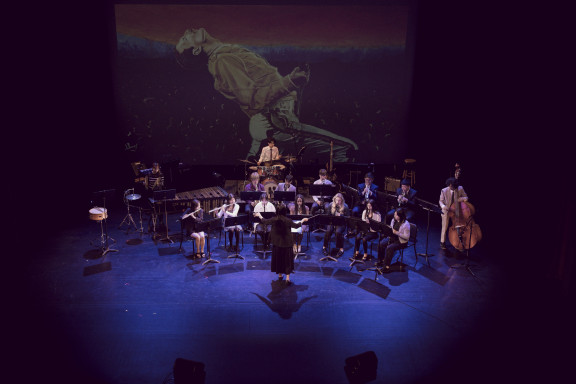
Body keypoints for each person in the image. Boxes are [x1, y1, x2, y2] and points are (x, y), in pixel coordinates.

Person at [175, 27, 358, 162]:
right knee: (346, 149)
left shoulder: (224, 55)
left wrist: (296, 84)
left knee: (260, 167)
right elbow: (254, 99)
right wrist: (290, 82)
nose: (187, 32)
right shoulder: (224, 61)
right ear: (197, 50)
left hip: (274, 120)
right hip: (272, 121)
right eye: (184, 39)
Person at [254, 204, 309, 284]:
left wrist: (259, 215)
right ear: (284, 212)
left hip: (277, 244)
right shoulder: (288, 220)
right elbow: (297, 226)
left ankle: (280, 275)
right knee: (287, 261)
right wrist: (303, 220)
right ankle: (287, 278)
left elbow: (264, 221)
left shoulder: (274, 219)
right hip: (287, 244)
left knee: (278, 259)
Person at [377, 208, 410, 273]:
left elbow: (407, 237)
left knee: (390, 248)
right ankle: (382, 260)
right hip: (392, 238)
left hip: (401, 241)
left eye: (396, 215)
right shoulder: (393, 220)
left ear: (400, 216)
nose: (394, 216)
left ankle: (386, 266)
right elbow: (391, 229)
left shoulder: (406, 224)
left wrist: (397, 233)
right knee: (381, 243)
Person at [439, 177, 468, 250]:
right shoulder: (444, 190)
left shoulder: (460, 188)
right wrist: (443, 206)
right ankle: (442, 242)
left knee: (458, 227)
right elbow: (441, 201)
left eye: (452, 186)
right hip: (446, 210)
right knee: (444, 227)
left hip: (456, 211)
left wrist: (459, 199)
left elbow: (466, 197)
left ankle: (459, 244)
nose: (451, 187)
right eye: (450, 186)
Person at [322, 193, 350, 257]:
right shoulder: (331, 205)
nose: (338, 202)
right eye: (336, 200)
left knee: (338, 232)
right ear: (334, 200)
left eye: (339, 200)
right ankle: (324, 247)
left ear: (342, 200)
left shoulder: (345, 206)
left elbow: (348, 217)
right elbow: (328, 215)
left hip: (341, 223)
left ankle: (341, 248)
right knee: (328, 231)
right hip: (332, 221)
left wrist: (341, 215)